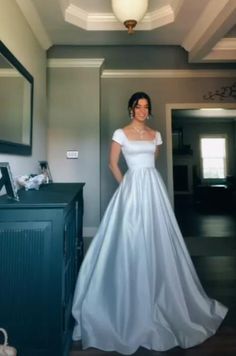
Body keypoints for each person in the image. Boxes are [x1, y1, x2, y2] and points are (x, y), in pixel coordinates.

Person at [72, 92, 228, 354]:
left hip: (153, 188)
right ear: (130, 109)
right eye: (138, 106)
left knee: (159, 238)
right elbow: (112, 164)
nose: (142, 110)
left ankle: (166, 297)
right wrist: (127, 187)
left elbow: (151, 162)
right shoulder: (120, 133)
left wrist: (143, 181)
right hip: (131, 187)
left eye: (146, 107)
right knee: (127, 240)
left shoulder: (156, 135)